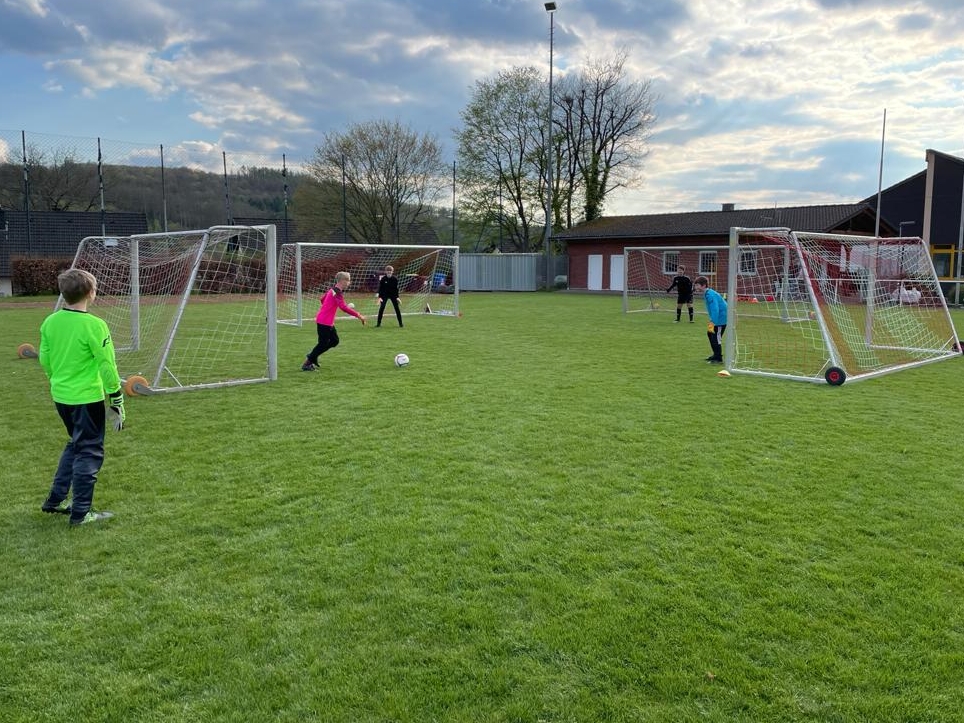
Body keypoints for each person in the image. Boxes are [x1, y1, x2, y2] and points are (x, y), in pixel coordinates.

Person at [38, 268, 124, 526]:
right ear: (91, 293)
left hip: (61, 396)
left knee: (75, 444)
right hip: (86, 399)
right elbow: (107, 365)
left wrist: (57, 380)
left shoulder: (50, 322)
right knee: (89, 451)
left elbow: (45, 358)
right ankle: (81, 513)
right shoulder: (94, 325)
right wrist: (116, 397)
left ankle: (55, 501)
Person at [302, 271, 367, 371]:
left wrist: (327, 308)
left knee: (334, 341)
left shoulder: (332, 289)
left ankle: (312, 357)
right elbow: (343, 307)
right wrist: (358, 315)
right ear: (343, 281)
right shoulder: (337, 292)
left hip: (325, 320)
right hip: (325, 321)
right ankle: (308, 361)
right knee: (323, 343)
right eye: (348, 280)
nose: (349, 283)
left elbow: (322, 299)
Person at [695, 275, 728, 363]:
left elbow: (715, 309)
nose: (696, 287)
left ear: (704, 285)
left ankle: (719, 358)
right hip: (715, 319)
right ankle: (715, 355)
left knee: (716, 338)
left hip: (720, 320)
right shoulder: (707, 293)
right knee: (710, 333)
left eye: (697, 285)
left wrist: (713, 321)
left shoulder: (710, 294)